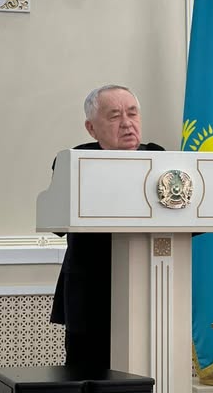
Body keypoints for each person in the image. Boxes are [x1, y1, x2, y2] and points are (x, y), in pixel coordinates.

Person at [50, 84, 164, 370]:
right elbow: (58, 221)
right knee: (88, 378)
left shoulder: (161, 159)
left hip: (151, 287)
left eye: (132, 114)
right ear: (91, 128)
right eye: (114, 116)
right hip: (91, 294)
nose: (127, 123)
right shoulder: (75, 161)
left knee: (147, 373)